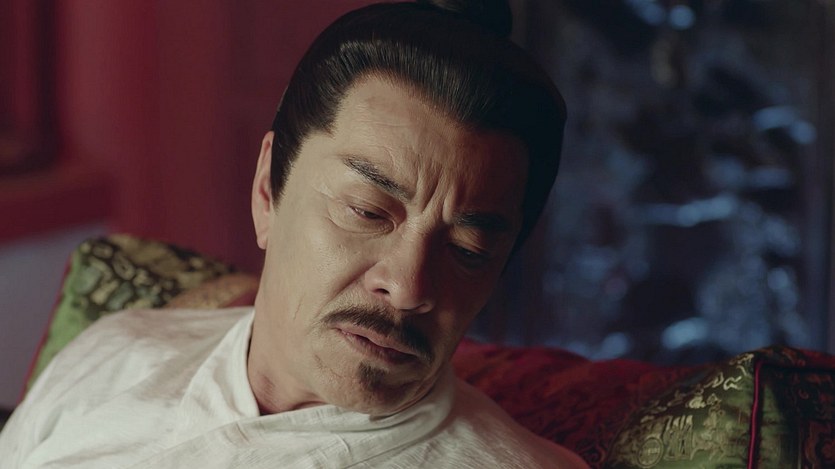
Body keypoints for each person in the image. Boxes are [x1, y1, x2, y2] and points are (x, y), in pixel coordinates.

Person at [0, 1, 588, 467]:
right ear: (267, 190)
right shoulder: (118, 355)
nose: (410, 286)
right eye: (367, 211)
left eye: (467, 250)